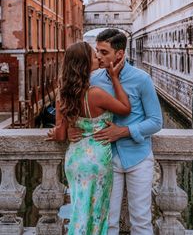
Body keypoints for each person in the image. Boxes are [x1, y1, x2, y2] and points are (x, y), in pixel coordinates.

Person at [69, 29, 163, 235]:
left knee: (141, 221)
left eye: (104, 52)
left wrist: (123, 132)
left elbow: (156, 122)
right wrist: (69, 129)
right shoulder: (93, 80)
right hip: (105, 158)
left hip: (138, 157)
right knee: (108, 220)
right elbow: (76, 107)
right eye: (97, 52)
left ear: (119, 54)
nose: (99, 57)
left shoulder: (142, 79)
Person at [47, 41, 131, 235]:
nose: (98, 59)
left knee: (79, 211)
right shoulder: (96, 94)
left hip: (75, 161)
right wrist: (115, 78)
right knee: (97, 215)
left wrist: (61, 132)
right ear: (84, 64)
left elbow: (60, 134)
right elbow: (126, 109)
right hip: (97, 161)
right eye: (94, 56)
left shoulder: (63, 95)